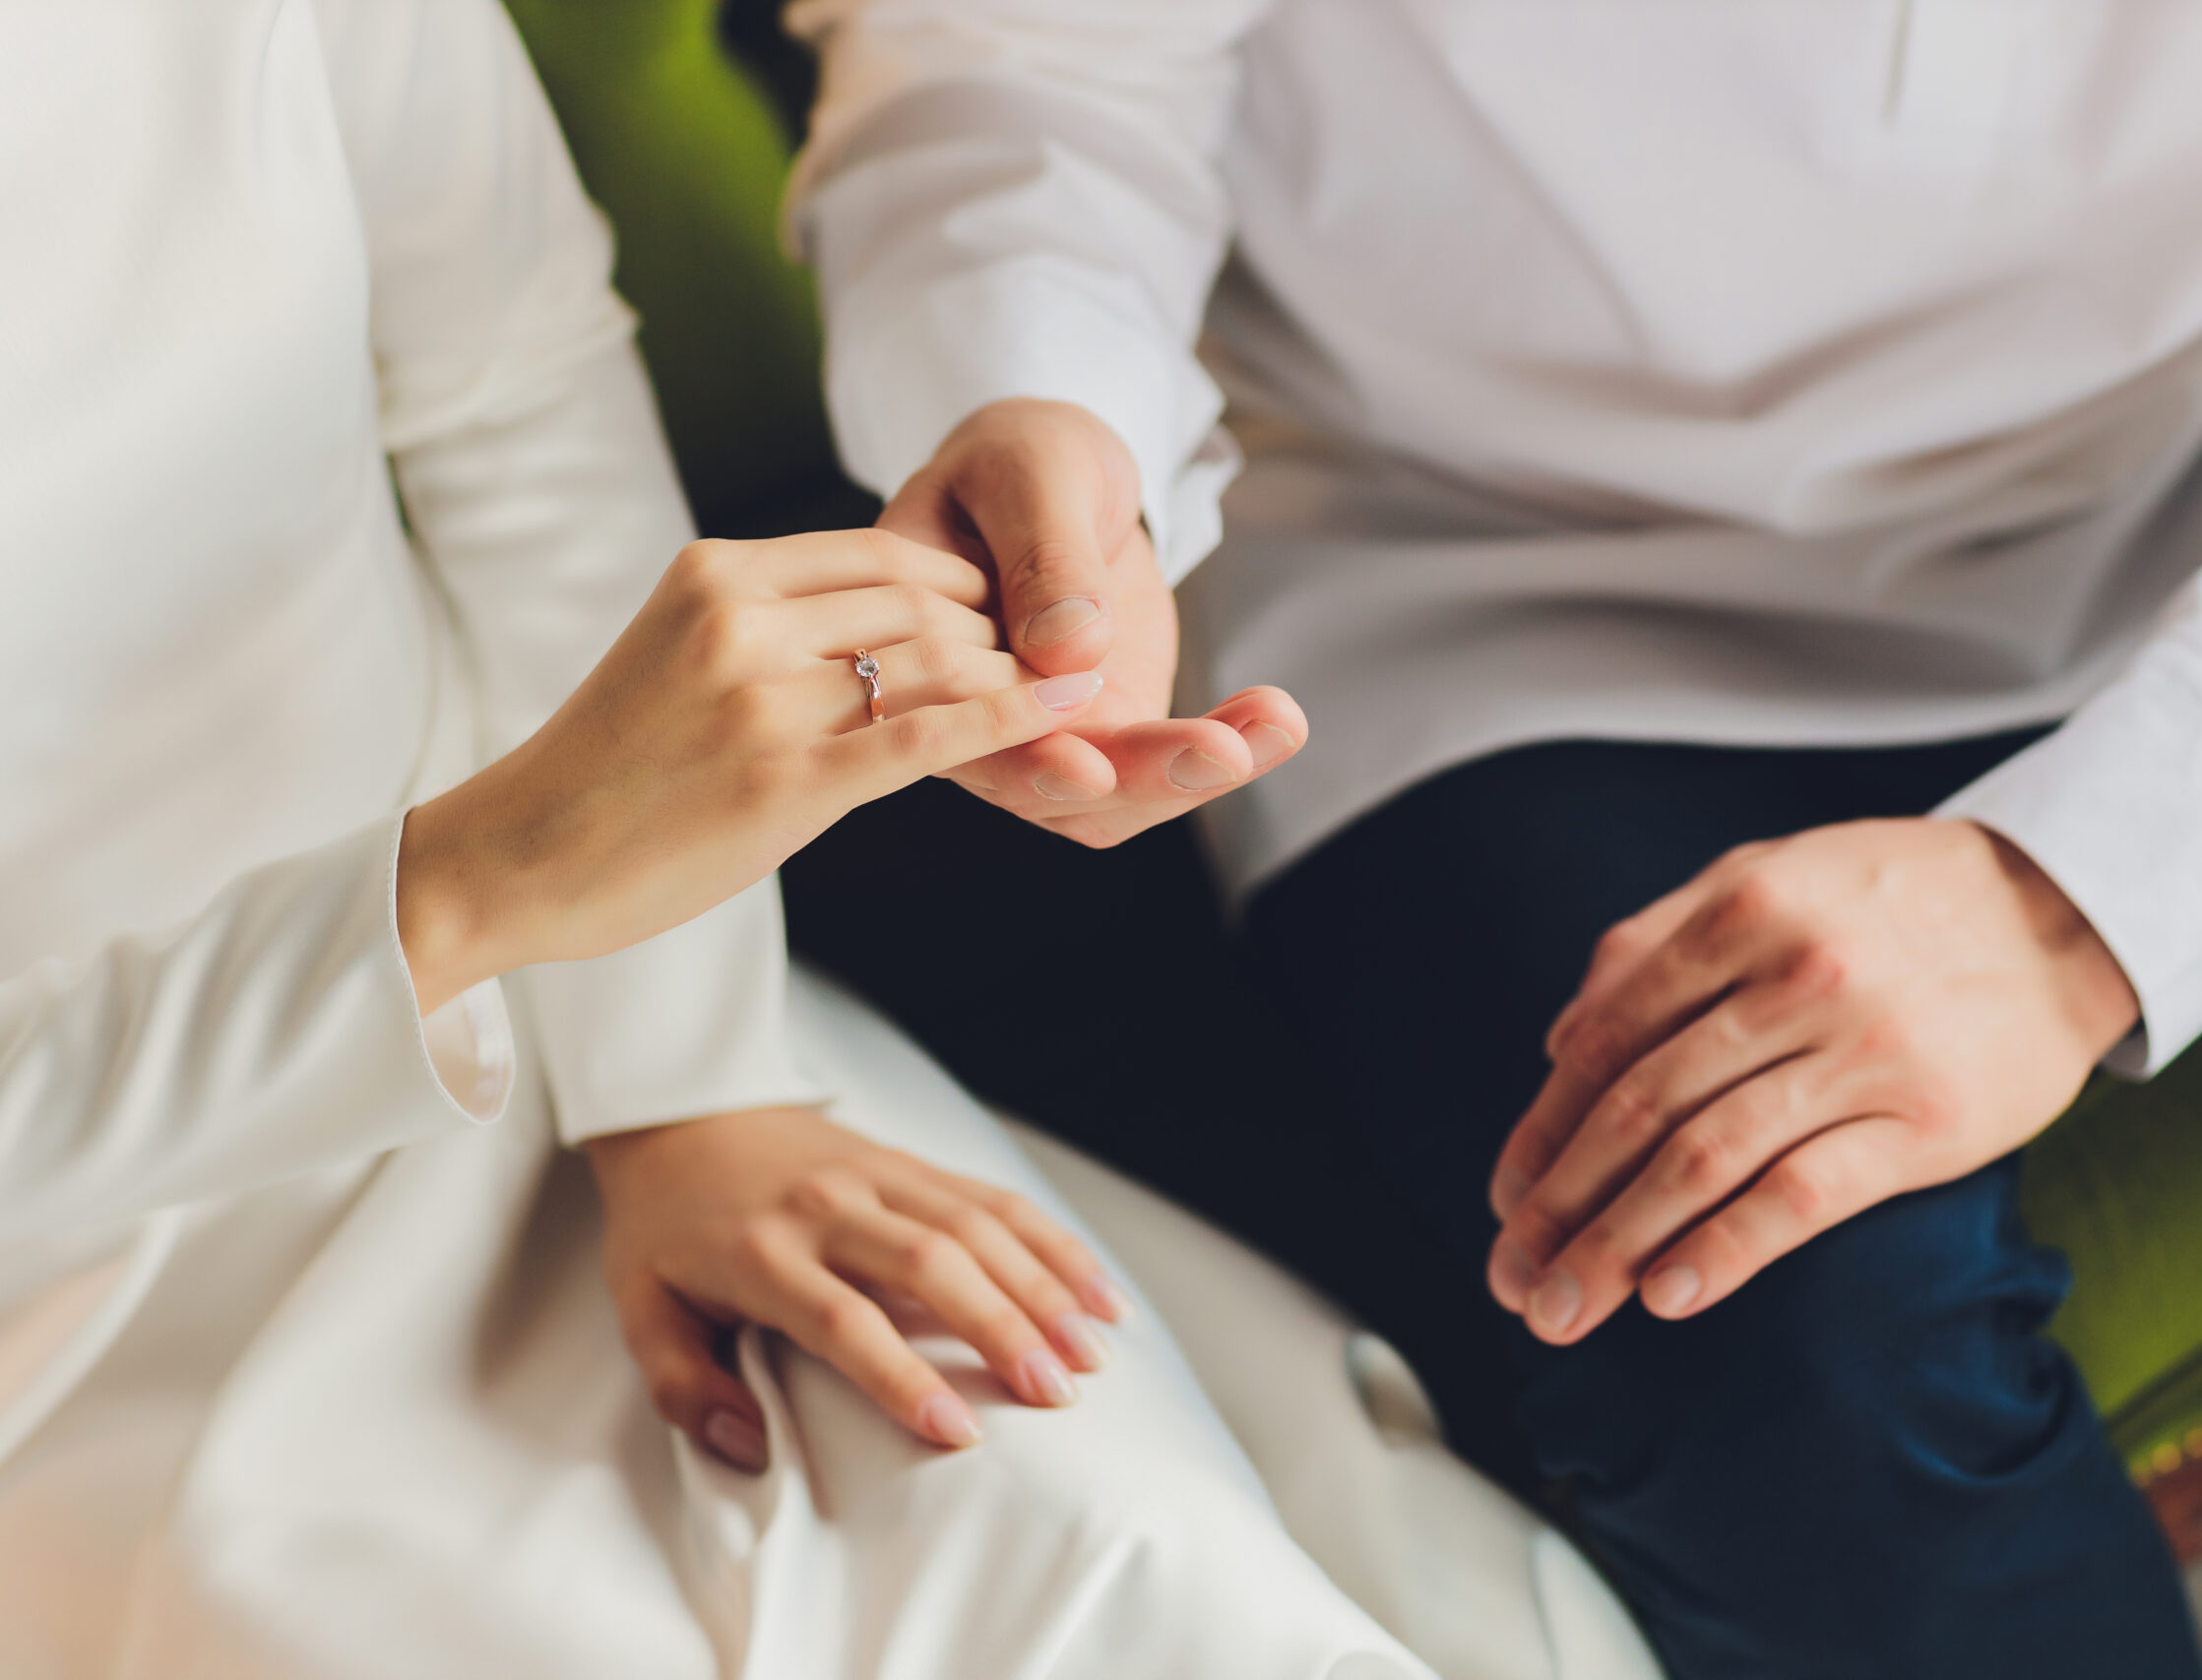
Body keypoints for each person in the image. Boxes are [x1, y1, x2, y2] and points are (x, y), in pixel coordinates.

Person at [774, 2, 2202, 1675]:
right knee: (1765, 1351)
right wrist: (1051, 405)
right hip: (1494, 565)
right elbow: (1034, 52)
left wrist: (2088, 893)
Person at [0, 3, 1438, 1675]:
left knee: (1127, 1568)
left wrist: (684, 1081)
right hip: (76, 1272)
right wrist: (465, 890)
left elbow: (510, 387)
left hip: (557, 1055)